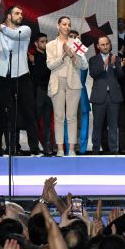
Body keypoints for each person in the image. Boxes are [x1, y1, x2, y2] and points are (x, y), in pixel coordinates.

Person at [0, 5, 39, 156]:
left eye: (21, 13)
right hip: (4, 77)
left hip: (22, 76)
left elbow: (13, 35)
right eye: (17, 13)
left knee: (29, 113)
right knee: (6, 114)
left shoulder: (25, 30)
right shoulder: (1, 32)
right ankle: (11, 147)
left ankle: (34, 148)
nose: (20, 15)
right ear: (9, 16)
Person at [46, 16, 84, 156]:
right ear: (58, 26)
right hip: (57, 82)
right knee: (59, 116)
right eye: (64, 24)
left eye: (69, 24)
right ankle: (60, 149)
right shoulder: (50, 45)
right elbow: (50, 65)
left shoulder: (76, 43)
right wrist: (63, 55)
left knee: (72, 116)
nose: (67, 27)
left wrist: (73, 56)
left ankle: (72, 149)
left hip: (73, 82)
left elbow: (81, 65)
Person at [88, 36, 124, 154]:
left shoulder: (116, 58)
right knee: (97, 125)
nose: (105, 46)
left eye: (107, 44)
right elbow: (93, 73)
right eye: (102, 45)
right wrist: (105, 64)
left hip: (113, 96)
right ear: (98, 47)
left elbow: (120, 76)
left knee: (113, 125)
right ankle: (95, 150)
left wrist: (114, 65)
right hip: (99, 96)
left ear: (110, 44)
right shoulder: (93, 59)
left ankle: (114, 150)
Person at [28, 33, 54, 156]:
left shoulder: (49, 56)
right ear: (36, 43)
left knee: (47, 121)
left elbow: (49, 72)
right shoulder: (32, 57)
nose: (45, 44)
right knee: (34, 121)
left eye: (46, 41)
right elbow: (36, 75)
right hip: (37, 92)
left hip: (48, 91)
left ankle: (47, 147)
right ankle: (34, 148)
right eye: (42, 41)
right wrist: (34, 63)